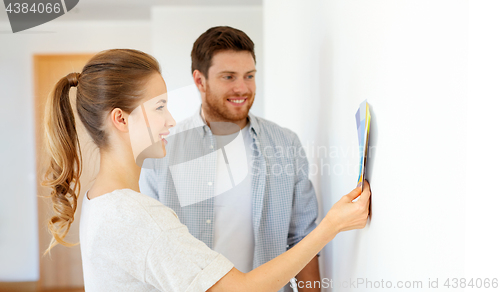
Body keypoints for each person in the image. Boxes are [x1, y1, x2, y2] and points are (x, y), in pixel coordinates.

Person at [42, 48, 371, 292]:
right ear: (121, 119)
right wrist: (333, 225)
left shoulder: (100, 198)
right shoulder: (136, 216)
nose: (170, 120)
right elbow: (241, 290)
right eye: (159, 107)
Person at [139, 26, 321, 291]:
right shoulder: (163, 149)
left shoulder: (285, 144)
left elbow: (304, 240)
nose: (242, 88)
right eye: (228, 77)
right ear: (200, 81)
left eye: (249, 76)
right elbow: (151, 245)